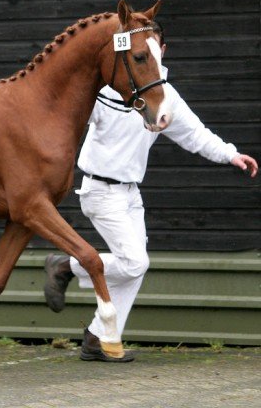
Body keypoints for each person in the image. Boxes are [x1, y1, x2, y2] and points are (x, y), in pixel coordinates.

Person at [43, 22, 258, 363]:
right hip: (100, 189)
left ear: (161, 51)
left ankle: (98, 338)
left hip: (131, 194)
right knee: (134, 262)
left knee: (135, 268)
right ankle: (68, 266)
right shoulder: (108, 91)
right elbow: (68, 122)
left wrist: (231, 154)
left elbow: (195, 134)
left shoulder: (164, 96)